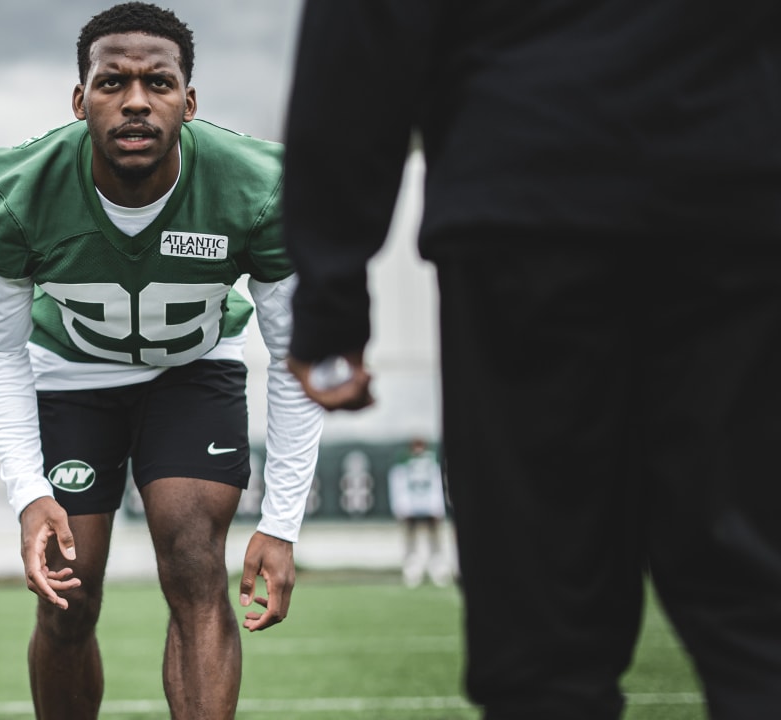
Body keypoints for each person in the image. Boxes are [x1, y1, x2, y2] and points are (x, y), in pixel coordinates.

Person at [281, 1, 781, 719]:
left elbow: (364, 30)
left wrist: (330, 291)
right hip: (734, 194)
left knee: (544, 641)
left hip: (531, 198)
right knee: (759, 609)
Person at [0, 4, 325, 718]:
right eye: (111, 82)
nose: (134, 101)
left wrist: (281, 523)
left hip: (194, 368)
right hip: (70, 372)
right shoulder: (15, 191)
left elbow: (294, 356)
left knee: (195, 564)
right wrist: (28, 493)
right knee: (67, 594)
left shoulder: (258, 185)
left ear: (189, 101)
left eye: (158, 83)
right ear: (79, 99)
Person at [387, 437, 448, 588]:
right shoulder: (403, 462)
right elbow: (398, 485)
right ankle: (412, 571)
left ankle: (438, 570)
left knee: (435, 540)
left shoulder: (432, 462)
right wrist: (401, 507)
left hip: (429, 507)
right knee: (411, 540)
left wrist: (438, 507)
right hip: (411, 508)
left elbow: (438, 484)